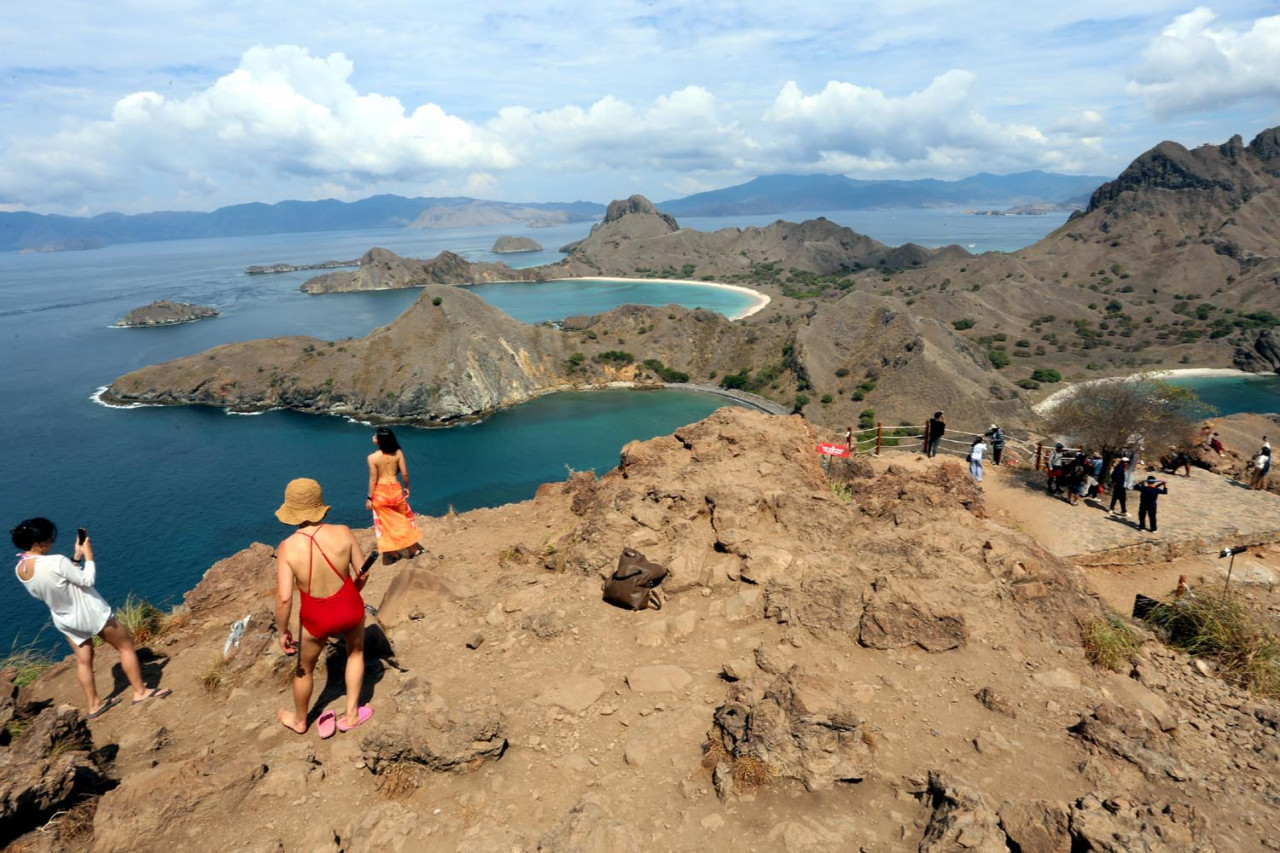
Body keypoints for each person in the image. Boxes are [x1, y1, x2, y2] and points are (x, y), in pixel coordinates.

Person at [11, 518, 171, 718]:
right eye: (50, 537)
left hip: (65, 619)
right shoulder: (56, 561)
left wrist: (76, 556)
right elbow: (86, 580)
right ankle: (140, 692)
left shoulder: (21, 570)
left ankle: (94, 704)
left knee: (83, 661)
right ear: (38, 543)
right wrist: (89, 556)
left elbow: (59, 580)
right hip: (90, 612)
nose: (52, 541)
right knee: (126, 647)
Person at [276, 478, 372, 738]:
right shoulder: (343, 531)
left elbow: (285, 598)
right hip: (350, 606)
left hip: (315, 617)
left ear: (291, 510)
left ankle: (299, 721)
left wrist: (282, 630)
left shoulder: (287, 548)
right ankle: (352, 714)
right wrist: (350, 595)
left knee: (304, 669)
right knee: (355, 653)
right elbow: (362, 575)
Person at [366, 427, 424, 564]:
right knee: (405, 519)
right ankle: (414, 549)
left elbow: (373, 479)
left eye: (375, 436)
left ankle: (393, 554)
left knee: (384, 524)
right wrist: (407, 487)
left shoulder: (372, 458)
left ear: (380, 441)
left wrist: (369, 498)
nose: (373, 437)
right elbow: (404, 473)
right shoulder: (398, 453)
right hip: (396, 491)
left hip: (380, 493)